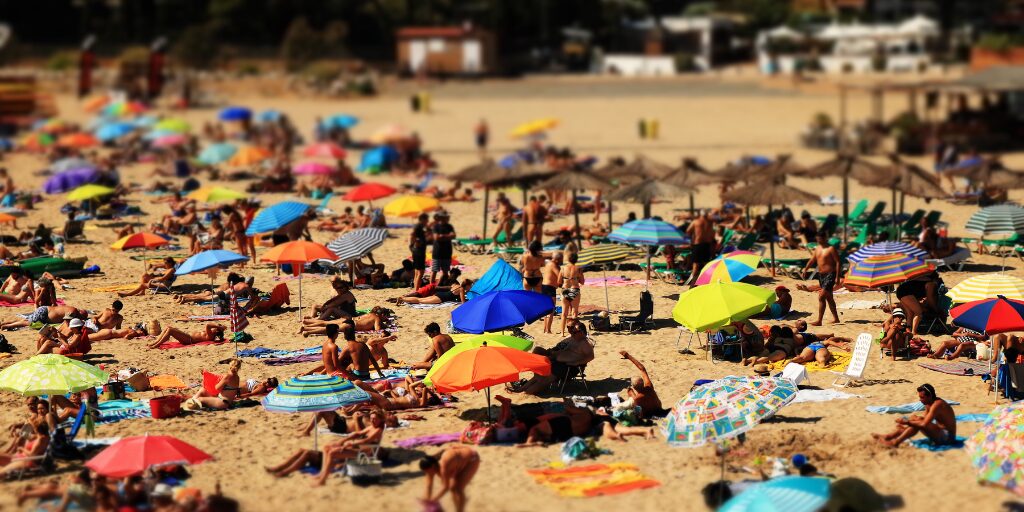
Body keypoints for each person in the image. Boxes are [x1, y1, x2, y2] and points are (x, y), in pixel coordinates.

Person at [515, 321, 594, 395]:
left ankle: (527, 392)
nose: (572, 333)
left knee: (545, 379)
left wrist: (577, 363)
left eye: (575, 332)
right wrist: (554, 354)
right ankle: (522, 389)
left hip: (569, 367)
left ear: (582, 332)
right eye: (572, 331)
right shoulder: (574, 339)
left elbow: (590, 357)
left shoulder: (585, 344)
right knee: (540, 375)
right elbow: (564, 350)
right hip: (560, 363)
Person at [873, 384, 956, 448]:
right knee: (916, 418)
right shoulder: (928, 403)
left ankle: (895, 442)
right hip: (939, 432)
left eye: (922, 397)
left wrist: (907, 422)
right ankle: (889, 436)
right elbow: (923, 419)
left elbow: (924, 424)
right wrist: (911, 421)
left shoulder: (937, 405)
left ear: (929, 396)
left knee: (916, 422)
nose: (920, 400)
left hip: (948, 438)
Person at [421, 445, 481, 512]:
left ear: (433, 466)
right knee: (453, 488)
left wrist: (433, 500)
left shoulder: (443, 466)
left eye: (428, 472)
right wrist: (427, 501)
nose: (428, 474)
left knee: (457, 488)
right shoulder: (429, 466)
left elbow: (445, 487)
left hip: (472, 459)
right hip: (458, 461)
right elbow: (429, 486)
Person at [802, 232, 840, 325]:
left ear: (825, 238)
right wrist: (805, 269)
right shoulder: (817, 248)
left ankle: (819, 320)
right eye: (818, 239)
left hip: (830, 275)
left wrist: (837, 277)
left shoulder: (831, 249)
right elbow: (812, 260)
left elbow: (838, 262)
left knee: (821, 297)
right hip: (821, 275)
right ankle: (836, 319)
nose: (819, 240)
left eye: (820, 238)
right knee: (829, 298)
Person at [618, 351, 663, 418]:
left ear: (634, 387)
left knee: (630, 392)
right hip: (659, 410)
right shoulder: (649, 387)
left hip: (649, 415)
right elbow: (642, 369)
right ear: (643, 383)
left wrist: (630, 392)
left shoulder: (636, 399)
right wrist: (628, 356)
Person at [686, 210, 715, 285]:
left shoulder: (696, 222)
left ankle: (693, 283)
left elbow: (688, 231)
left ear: (700, 215)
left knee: (696, 265)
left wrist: (691, 241)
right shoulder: (710, 223)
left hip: (698, 244)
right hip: (707, 245)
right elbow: (712, 234)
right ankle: (706, 281)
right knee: (706, 265)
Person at [559, 252, 584, 336]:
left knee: (564, 314)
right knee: (574, 312)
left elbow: (558, 281)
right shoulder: (578, 268)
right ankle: (573, 332)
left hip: (565, 289)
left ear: (569, 259)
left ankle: (562, 333)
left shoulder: (562, 268)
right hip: (575, 289)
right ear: (576, 260)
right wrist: (576, 279)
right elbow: (582, 281)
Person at [147, 323, 225, 349]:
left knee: (170, 330)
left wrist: (219, 327)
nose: (214, 327)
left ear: (217, 331)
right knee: (168, 328)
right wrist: (220, 327)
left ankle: (157, 344)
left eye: (216, 328)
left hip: (189, 340)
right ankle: (156, 342)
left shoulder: (211, 335)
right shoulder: (211, 333)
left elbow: (208, 325)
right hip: (187, 337)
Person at [430, 211, 455, 284]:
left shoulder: (449, 226)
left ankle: (443, 284)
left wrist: (442, 236)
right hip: (437, 252)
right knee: (434, 270)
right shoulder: (436, 226)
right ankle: (431, 286)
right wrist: (447, 236)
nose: (447, 218)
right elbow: (436, 237)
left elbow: (453, 235)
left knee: (445, 272)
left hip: (447, 252)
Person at [541, 252, 562, 334]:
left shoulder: (549, 263)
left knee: (547, 310)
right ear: (557, 259)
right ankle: (548, 330)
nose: (562, 260)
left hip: (544, 287)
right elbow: (559, 276)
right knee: (551, 310)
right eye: (561, 259)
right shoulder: (553, 265)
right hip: (549, 288)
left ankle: (545, 329)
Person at [409, 213, 429, 288]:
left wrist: (412, 245)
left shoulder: (420, 226)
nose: (427, 221)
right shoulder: (419, 226)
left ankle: (415, 289)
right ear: (423, 219)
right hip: (419, 251)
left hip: (417, 250)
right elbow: (412, 235)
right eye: (426, 219)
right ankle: (416, 290)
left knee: (417, 271)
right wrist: (416, 243)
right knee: (420, 272)